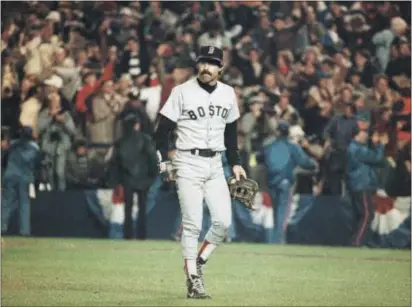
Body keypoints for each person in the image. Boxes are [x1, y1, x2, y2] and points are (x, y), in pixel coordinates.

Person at [154, 45, 246, 299]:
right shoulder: (181, 92)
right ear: (197, 65)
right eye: (203, 62)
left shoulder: (228, 94)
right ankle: (193, 280)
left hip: (216, 164)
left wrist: (236, 163)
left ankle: (198, 262)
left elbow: (231, 136)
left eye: (212, 63)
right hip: (187, 162)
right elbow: (161, 133)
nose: (206, 67)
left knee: (223, 222)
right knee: (192, 225)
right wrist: (163, 164)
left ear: (220, 68)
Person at [262, 121, 318, 244]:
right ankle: (278, 240)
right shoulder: (292, 146)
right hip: (285, 182)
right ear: (288, 132)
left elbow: (260, 158)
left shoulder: (270, 146)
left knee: (276, 211)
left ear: (277, 132)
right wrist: (314, 163)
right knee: (282, 212)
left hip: (271, 183)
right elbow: (304, 162)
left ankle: (275, 239)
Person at [108, 113, 158, 240]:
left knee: (128, 208)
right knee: (142, 208)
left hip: (127, 179)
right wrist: (152, 175)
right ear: (137, 125)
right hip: (144, 179)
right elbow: (152, 158)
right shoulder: (145, 139)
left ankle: (128, 235)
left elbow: (115, 163)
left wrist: (116, 182)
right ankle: (142, 235)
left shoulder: (120, 142)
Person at [346, 128, 387, 246]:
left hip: (357, 184)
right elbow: (377, 159)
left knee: (360, 215)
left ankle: (356, 241)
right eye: (363, 133)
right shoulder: (357, 149)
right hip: (362, 184)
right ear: (356, 135)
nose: (366, 136)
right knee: (367, 214)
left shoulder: (354, 148)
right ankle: (357, 242)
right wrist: (380, 145)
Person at [1, 126, 41, 236]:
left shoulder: (12, 145)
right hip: (25, 177)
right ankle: (24, 231)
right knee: (24, 204)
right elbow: (37, 164)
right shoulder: (35, 147)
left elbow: (4, 158)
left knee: (6, 202)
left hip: (10, 175)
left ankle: (2, 227)